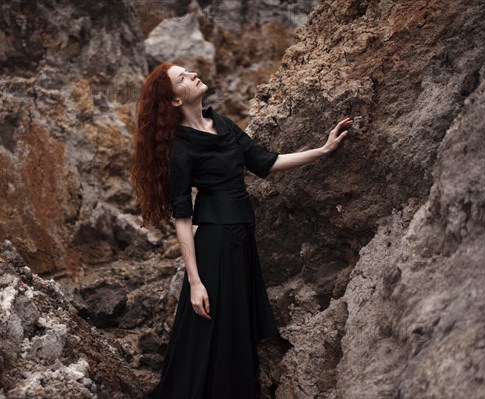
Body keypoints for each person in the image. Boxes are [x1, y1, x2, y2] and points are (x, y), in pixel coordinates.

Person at [130, 61, 352, 399]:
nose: (192, 74)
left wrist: (323, 150)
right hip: (216, 244)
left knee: (235, 329)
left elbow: (267, 162)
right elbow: (183, 218)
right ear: (175, 100)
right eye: (182, 77)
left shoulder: (222, 123)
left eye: (189, 71)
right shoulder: (181, 148)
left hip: (242, 239)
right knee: (215, 330)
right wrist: (194, 282)